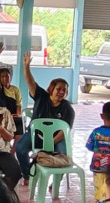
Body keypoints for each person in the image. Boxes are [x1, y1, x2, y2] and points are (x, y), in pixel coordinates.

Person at [15, 51, 75, 185]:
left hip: (56, 139)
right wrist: (26, 66)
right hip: (35, 135)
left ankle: (56, 182)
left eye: (64, 90)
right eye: (58, 89)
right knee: (20, 148)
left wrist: (50, 143)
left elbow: (65, 131)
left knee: (64, 156)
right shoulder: (41, 96)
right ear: (51, 89)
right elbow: (30, 82)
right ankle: (27, 176)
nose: (61, 92)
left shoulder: (68, 108)